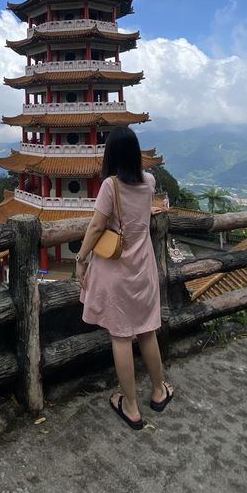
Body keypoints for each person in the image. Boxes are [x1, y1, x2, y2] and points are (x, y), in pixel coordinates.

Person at [76, 126, 174, 430]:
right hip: (143, 269)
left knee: (121, 336)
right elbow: (142, 212)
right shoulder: (149, 181)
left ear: (111, 155)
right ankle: (159, 390)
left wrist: (80, 260)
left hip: (117, 272)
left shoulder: (110, 186)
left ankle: (130, 405)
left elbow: (95, 228)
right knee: (147, 331)